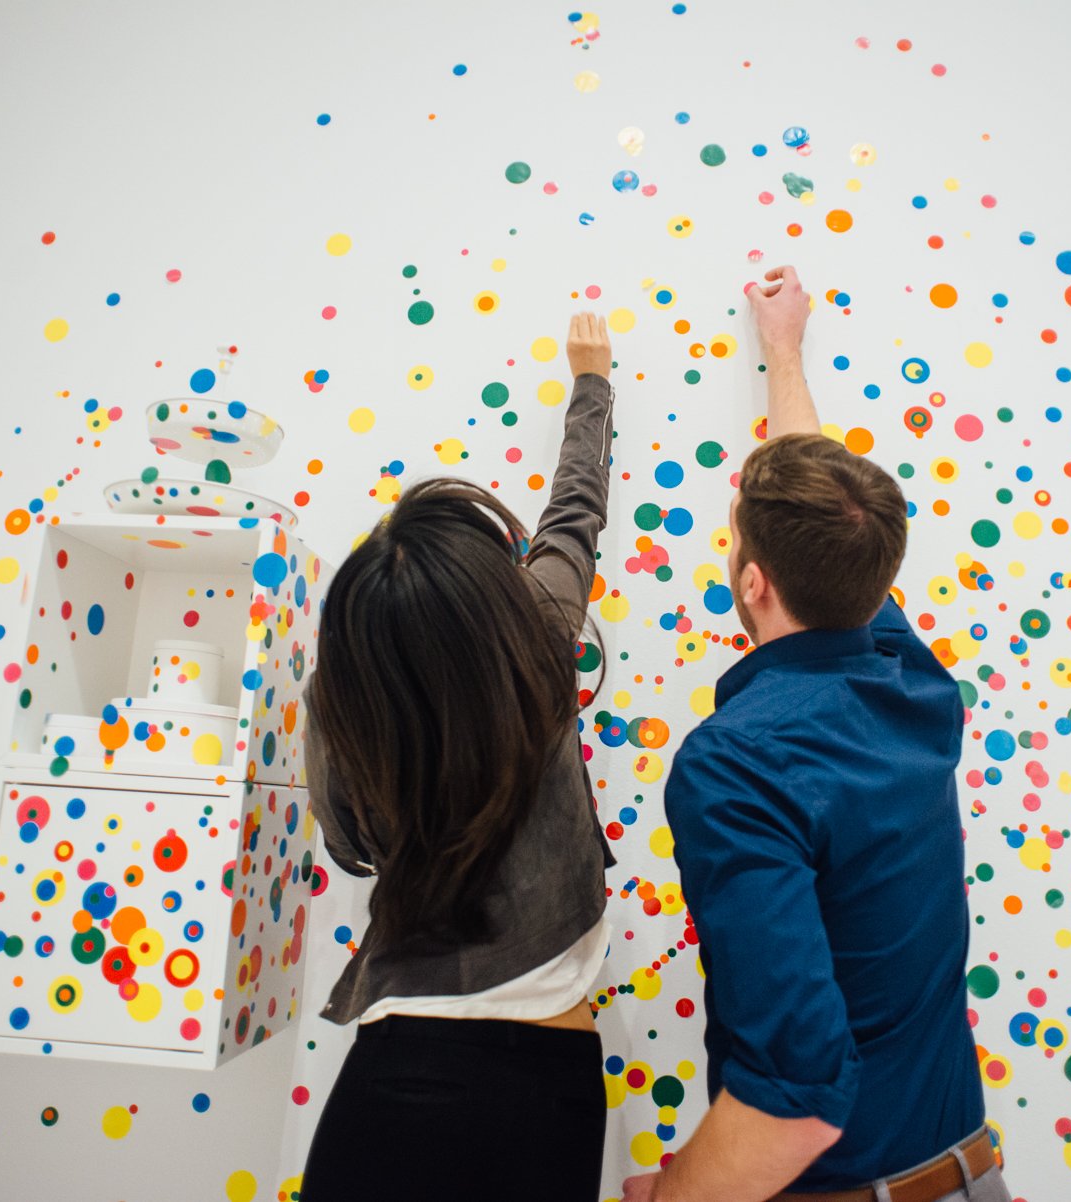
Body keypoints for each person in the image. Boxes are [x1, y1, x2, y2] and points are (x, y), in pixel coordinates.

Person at [624, 266, 1003, 1202]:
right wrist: (783, 351)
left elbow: (798, 1090)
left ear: (751, 584)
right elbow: (827, 517)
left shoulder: (738, 760)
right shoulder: (910, 677)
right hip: (970, 1174)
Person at [301, 314, 619, 1201]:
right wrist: (591, 383)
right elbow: (574, 512)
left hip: (395, 1064)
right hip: (543, 1080)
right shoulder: (545, 631)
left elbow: (352, 848)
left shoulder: (338, 705)